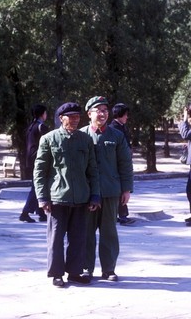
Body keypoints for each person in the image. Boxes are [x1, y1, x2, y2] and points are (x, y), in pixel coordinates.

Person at [33, 102, 100, 288]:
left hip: (81, 197)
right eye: (71, 117)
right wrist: (42, 198)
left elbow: (92, 170)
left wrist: (95, 195)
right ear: (61, 118)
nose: (75, 120)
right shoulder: (49, 139)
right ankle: (56, 274)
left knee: (78, 238)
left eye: (78, 117)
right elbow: (39, 171)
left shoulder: (85, 140)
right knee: (55, 238)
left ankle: (75, 272)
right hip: (57, 198)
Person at [80, 96, 134, 282]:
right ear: (89, 113)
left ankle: (109, 269)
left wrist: (126, 189)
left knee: (109, 232)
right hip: (87, 193)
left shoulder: (116, 136)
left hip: (111, 191)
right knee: (86, 232)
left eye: (105, 110)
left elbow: (125, 163)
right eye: (98, 110)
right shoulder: (81, 135)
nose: (102, 114)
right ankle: (86, 268)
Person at [19, 104, 49, 223]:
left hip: (30, 160)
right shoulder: (41, 127)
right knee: (37, 187)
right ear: (42, 114)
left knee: (38, 185)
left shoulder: (31, 126)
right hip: (38, 159)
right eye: (46, 113)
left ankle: (41, 213)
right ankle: (25, 213)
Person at [109, 102, 135, 225]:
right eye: (125, 115)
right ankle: (121, 215)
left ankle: (122, 214)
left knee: (123, 189)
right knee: (120, 190)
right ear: (120, 115)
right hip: (117, 163)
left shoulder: (121, 126)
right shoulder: (113, 128)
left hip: (124, 161)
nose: (127, 117)